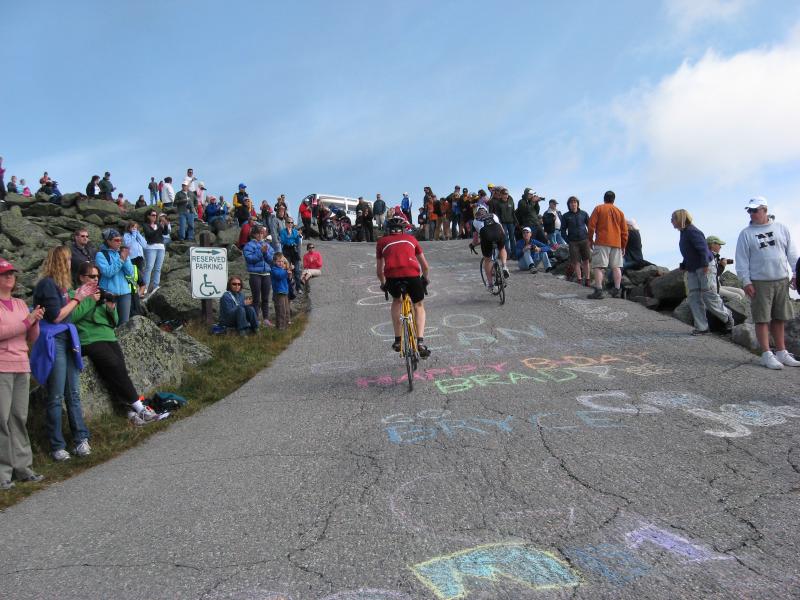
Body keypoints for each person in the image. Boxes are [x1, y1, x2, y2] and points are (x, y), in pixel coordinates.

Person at [71, 262, 162, 425]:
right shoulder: (74, 294)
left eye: (97, 276)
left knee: (117, 371)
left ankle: (129, 412)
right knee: (114, 366)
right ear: (81, 277)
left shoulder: (101, 293)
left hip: (108, 336)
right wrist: (90, 300)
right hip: (89, 338)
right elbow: (73, 316)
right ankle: (140, 408)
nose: (95, 279)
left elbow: (114, 322)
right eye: (92, 276)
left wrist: (111, 308)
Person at [31, 247, 94, 461]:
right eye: (66, 260)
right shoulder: (48, 285)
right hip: (54, 339)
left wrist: (80, 299)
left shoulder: (61, 286)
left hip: (66, 338)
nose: (70, 263)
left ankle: (80, 440)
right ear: (59, 262)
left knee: (73, 393)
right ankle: (57, 446)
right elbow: (57, 317)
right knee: (57, 395)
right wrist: (78, 298)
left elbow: (66, 315)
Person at [734, 197, 799, 369]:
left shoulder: (781, 228)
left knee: (779, 317)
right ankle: (765, 353)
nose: (752, 213)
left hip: (781, 279)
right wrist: (746, 281)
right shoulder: (746, 234)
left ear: (765, 210)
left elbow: (791, 252)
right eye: (749, 210)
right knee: (762, 318)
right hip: (759, 281)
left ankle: (781, 352)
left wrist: (796, 272)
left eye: (755, 210)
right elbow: (741, 260)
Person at [0, 258, 44, 489]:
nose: (9, 277)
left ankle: (24, 468)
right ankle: (3, 474)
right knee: (2, 420)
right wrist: (27, 322)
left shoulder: (19, 303)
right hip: (2, 366)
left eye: (12, 274)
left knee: (18, 417)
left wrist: (34, 321)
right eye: (4, 274)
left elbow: (31, 337)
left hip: (20, 364)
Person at [672, 209, 733, 336]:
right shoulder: (684, 233)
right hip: (693, 268)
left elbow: (703, 248)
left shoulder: (692, 231)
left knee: (709, 296)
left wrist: (705, 264)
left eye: (673, 219)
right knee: (694, 297)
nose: (671, 221)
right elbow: (690, 252)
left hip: (704, 267)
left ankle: (727, 318)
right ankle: (702, 327)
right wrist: (684, 264)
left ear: (680, 219)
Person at [376, 215, 430, 357]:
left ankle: (398, 340)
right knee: (418, 305)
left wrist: (383, 284)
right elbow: (425, 266)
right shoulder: (411, 239)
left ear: (388, 229)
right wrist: (425, 279)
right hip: (412, 276)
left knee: (396, 300)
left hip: (392, 277)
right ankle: (420, 342)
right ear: (403, 229)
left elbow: (379, 271)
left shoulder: (382, 242)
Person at [587, 190, 628, 299]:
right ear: (613, 200)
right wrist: (623, 245)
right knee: (616, 266)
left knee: (599, 266)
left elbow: (591, 226)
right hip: (617, 243)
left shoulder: (599, 208)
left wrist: (590, 240)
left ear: (604, 198)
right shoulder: (620, 212)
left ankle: (599, 290)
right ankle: (617, 290)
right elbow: (625, 232)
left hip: (602, 241)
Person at [95, 229, 134, 326]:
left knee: (124, 324)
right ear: (108, 241)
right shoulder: (100, 255)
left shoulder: (122, 252)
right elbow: (108, 272)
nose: (119, 242)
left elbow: (130, 273)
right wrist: (121, 260)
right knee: (110, 322)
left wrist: (125, 259)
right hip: (109, 293)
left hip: (125, 293)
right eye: (116, 240)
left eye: (120, 240)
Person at [471, 205, 509, 293]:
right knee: (502, 248)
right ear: (486, 211)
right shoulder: (493, 215)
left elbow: (476, 239)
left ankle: (491, 285)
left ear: (476, 213)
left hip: (486, 235)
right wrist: (502, 238)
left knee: (487, 260)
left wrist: (473, 245)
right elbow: (502, 230)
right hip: (499, 232)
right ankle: (504, 266)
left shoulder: (475, 221)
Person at [243, 225, 274, 327]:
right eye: (258, 233)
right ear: (253, 234)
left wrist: (265, 253)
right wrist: (261, 251)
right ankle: (255, 320)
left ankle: (265, 319)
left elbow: (271, 260)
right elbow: (250, 259)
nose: (260, 235)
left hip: (266, 274)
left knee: (265, 298)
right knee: (256, 299)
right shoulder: (249, 245)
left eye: (262, 233)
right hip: (255, 274)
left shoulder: (267, 245)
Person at [561, 196, 591, 286]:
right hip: (573, 242)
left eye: (574, 202)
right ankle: (579, 280)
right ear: (568, 205)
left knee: (586, 261)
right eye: (571, 203)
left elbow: (590, 226)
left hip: (584, 240)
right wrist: (568, 240)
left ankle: (588, 280)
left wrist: (590, 238)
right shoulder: (565, 216)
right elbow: (562, 230)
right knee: (576, 262)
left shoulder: (584, 213)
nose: (573, 204)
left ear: (577, 204)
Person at [706, 236, 746, 301]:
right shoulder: (707, 257)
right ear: (712, 244)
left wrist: (720, 263)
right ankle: (726, 309)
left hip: (716, 285)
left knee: (741, 292)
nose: (720, 247)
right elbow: (714, 274)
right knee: (737, 297)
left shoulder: (714, 256)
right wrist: (722, 266)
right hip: (710, 288)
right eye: (719, 244)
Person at [142, 209, 167, 296]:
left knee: (158, 268)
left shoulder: (157, 224)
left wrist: (165, 224)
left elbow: (166, 232)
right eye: (153, 215)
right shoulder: (145, 225)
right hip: (151, 248)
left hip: (161, 247)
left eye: (156, 215)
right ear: (148, 216)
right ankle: (144, 287)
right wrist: (160, 227)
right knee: (149, 267)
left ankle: (156, 286)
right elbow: (150, 235)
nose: (155, 217)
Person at [490, 187, 518, 259]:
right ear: (501, 194)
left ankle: (514, 254)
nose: (506, 195)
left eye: (507, 193)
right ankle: (507, 254)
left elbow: (513, 212)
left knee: (512, 238)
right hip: (503, 223)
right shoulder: (498, 203)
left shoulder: (511, 200)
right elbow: (497, 214)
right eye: (504, 194)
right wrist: (499, 223)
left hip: (511, 222)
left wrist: (516, 221)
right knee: (505, 238)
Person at [123, 221, 147, 297]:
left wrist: (138, 235)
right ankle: (133, 289)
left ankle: (141, 291)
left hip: (140, 257)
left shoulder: (138, 235)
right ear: (129, 228)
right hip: (132, 257)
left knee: (141, 273)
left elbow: (144, 244)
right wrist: (133, 235)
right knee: (132, 273)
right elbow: (127, 244)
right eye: (133, 227)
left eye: (136, 227)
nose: (134, 229)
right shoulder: (126, 235)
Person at [270, 253, 291, 330]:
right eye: (279, 261)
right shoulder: (274, 269)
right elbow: (279, 276)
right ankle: (280, 327)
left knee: (286, 310)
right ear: (274, 262)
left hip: (284, 291)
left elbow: (287, 280)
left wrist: (289, 275)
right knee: (281, 310)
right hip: (279, 292)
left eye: (282, 261)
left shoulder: (282, 269)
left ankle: (286, 325)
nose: (281, 263)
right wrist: (286, 271)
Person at [280, 218, 303, 287]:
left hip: (293, 249)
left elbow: (297, 242)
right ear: (286, 223)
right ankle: (287, 286)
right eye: (288, 222)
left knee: (297, 269)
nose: (290, 224)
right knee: (287, 268)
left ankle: (298, 286)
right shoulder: (282, 231)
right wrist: (291, 236)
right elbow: (283, 241)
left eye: (291, 222)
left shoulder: (295, 231)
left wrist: (298, 236)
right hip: (286, 249)